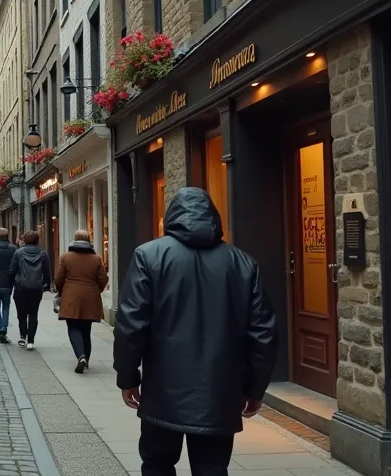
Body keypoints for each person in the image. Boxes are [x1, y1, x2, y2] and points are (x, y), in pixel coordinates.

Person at [115, 187, 278, 476]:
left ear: (171, 217)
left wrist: (128, 377)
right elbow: (263, 333)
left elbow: (131, 324)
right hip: (219, 392)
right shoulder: (242, 263)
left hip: (163, 389)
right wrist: (254, 388)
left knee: (157, 464)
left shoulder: (149, 256)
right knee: (212, 468)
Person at [54, 229, 108, 374]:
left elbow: (59, 279)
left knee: (73, 326)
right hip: (90, 296)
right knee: (86, 329)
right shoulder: (96, 258)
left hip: (71, 295)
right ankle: (86, 359)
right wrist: (96, 291)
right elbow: (103, 279)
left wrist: (61, 292)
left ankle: (81, 356)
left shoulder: (66, 257)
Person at [9, 230, 51, 349]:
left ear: (24, 240)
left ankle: (23, 336)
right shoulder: (43, 254)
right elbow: (47, 272)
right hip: (36, 288)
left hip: (21, 288)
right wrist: (46, 285)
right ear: (37, 240)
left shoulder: (18, 253)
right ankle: (31, 341)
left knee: (21, 314)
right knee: (33, 314)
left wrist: (14, 283)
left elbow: (12, 270)